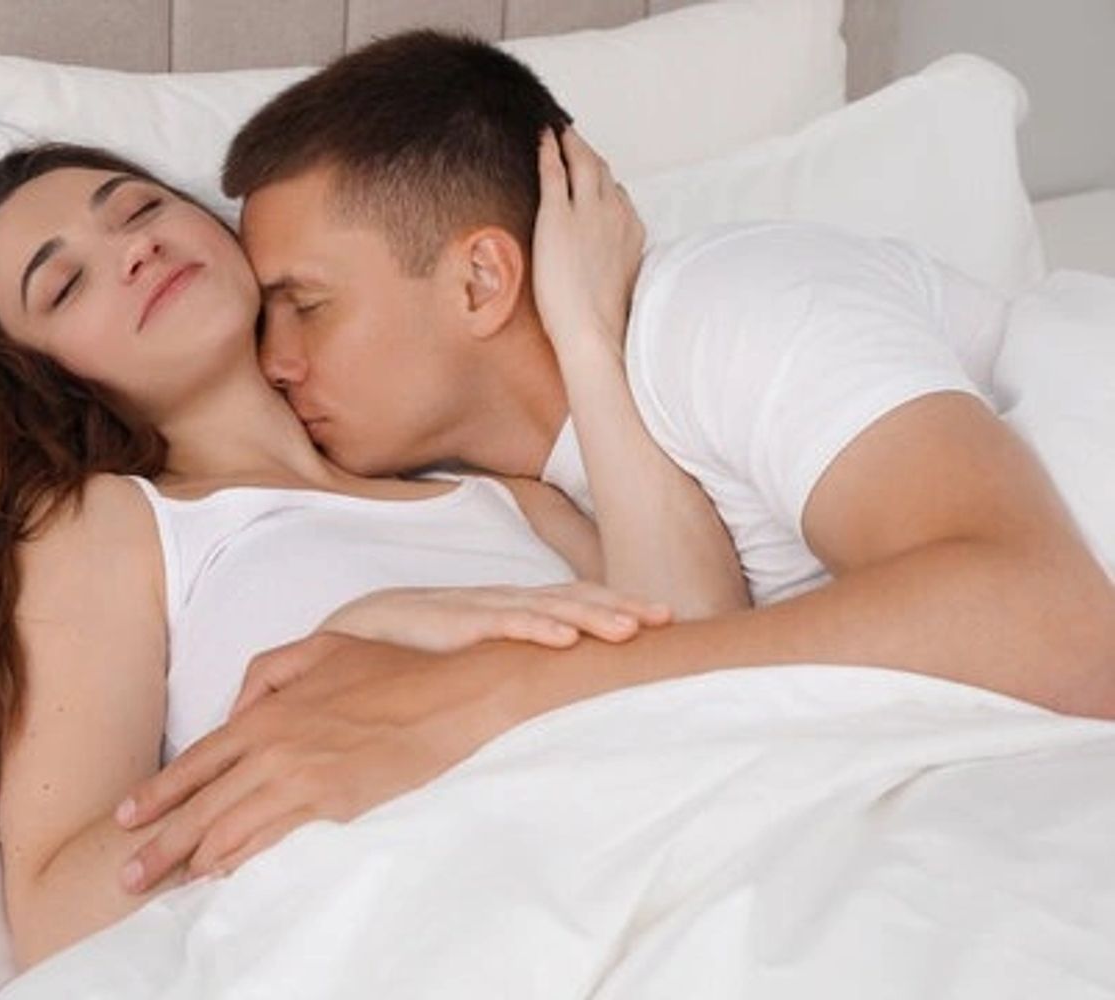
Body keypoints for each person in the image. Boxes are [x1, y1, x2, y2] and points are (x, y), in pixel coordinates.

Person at [113, 30, 1115, 896]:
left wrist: (480, 698)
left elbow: (1052, 625)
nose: (276, 361)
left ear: (480, 281)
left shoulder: (728, 306)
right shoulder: (536, 499)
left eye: (307, 306)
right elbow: (693, 667)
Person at [0, 142, 742, 968]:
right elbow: (59, 916)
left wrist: (585, 332)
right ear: (43, 378)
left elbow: (719, 653)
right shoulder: (117, 523)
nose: (135, 248)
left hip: (687, 860)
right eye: (66, 285)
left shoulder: (497, 496)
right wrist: (356, 645)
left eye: (140, 209)